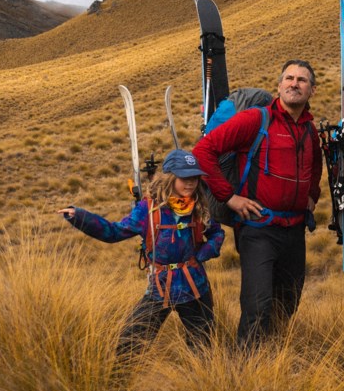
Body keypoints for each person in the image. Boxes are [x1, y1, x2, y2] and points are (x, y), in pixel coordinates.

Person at [192, 59, 322, 349]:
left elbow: (315, 163)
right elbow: (204, 151)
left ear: (312, 90)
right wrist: (229, 197)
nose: (294, 83)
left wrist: (313, 195)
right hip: (258, 228)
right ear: (279, 86)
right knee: (257, 305)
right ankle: (245, 371)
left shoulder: (310, 130)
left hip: (294, 230)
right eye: (288, 78)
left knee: (287, 303)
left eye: (302, 80)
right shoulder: (256, 119)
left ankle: (272, 361)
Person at [58, 149, 224, 362]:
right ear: (170, 177)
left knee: (203, 349)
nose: (190, 183)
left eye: (194, 177)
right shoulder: (148, 208)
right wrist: (80, 217)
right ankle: (117, 386)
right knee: (129, 345)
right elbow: (114, 232)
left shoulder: (201, 205)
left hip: (195, 287)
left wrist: (203, 254)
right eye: (184, 177)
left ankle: (203, 388)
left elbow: (217, 233)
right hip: (160, 287)